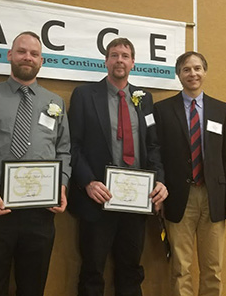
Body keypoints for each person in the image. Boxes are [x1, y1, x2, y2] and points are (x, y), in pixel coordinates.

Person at [0, 31, 71, 296]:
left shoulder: (55, 102)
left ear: (42, 60)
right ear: (10, 55)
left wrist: (61, 186)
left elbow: (64, 149)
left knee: (33, 286)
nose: (27, 57)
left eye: (34, 53)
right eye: (21, 51)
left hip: (41, 208)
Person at [67, 37, 168, 296]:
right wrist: (88, 182)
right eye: (114, 55)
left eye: (125, 55)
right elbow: (73, 146)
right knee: (92, 271)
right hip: (97, 199)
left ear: (133, 62)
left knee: (131, 270)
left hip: (136, 202)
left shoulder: (144, 99)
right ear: (106, 61)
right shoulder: (84, 95)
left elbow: (153, 146)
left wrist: (160, 181)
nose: (119, 60)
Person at [153, 51, 226, 296]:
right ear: (178, 74)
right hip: (179, 196)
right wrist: (158, 192)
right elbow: (156, 153)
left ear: (205, 72)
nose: (193, 74)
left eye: (198, 68)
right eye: (187, 69)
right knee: (181, 267)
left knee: (213, 267)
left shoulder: (220, 109)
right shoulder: (162, 110)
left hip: (214, 197)